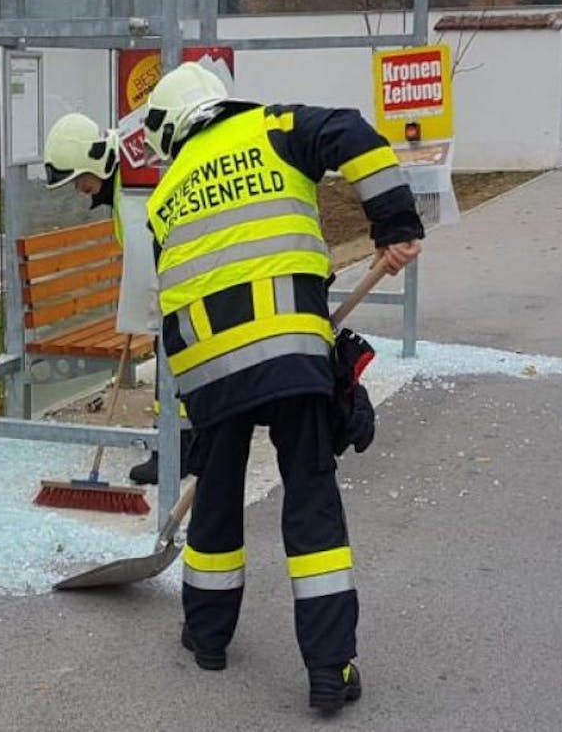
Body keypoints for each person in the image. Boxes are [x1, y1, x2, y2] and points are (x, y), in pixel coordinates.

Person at [140, 61, 423, 713]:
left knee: (215, 496)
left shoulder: (163, 196)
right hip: (292, 353)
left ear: (174, 131)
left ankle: (205, 635)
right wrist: (396, 222)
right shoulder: (274, 126)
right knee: (310, 498)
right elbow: (352, 133)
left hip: (209, 368)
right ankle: (330, 668)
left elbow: (173, 305)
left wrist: (191, 424)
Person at [41, 112, 197, 486]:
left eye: (80, 180)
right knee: (176, 360)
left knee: (173, 361)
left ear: (96, 163)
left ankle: (172, 450)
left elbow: (148, 256)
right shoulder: (127, 173)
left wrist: (141, 311)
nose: (80, 190)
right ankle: (181, 443)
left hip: (180, 285)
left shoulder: (132, 187)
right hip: (177, 283)